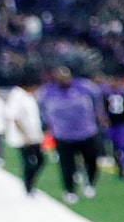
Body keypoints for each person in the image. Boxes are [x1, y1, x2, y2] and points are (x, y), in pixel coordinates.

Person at [37, 71, 104, 204]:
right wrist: (47, 123)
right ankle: (69, 190)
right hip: (63, 134)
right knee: (66, 165)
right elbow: (41, 108)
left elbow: (98, 98)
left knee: (92, 160)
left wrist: (98, 114)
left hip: (86, 132)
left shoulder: (84, 86)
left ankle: (90, 182)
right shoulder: (47, 92)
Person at [0, 78, 45, 197]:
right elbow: (15, 117)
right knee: (29, 162)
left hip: (35, 136)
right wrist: (25, 135)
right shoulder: (17, 96)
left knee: (40, 160)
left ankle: (31, 183)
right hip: (24, 139)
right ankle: (28, 186)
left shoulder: (28, 96)